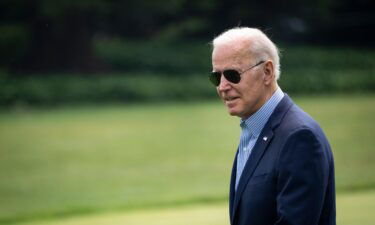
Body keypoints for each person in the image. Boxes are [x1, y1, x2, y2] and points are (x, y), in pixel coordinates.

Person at [209, 27, 336, 225]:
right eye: (217, 77)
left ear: (267, 72)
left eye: (233, 75)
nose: (222, 86)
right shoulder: (253, 129)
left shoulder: (299, 137)